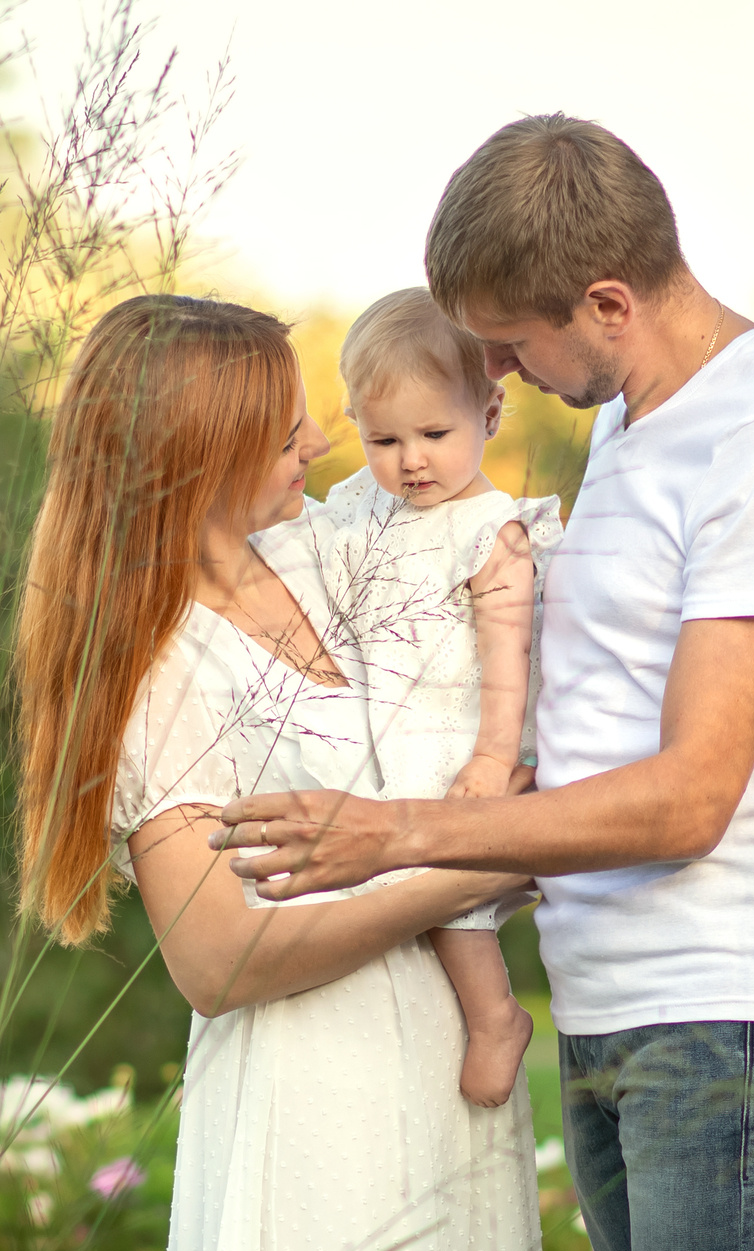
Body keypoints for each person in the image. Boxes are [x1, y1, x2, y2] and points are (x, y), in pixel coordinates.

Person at [213, 117, 754, 1251]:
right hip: (624, 1000)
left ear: (610, 304)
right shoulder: (638, 421)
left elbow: (689, 795)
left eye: (514, 345)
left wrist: (399, 832)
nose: (499, 379)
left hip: (733, 1006)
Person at [14, 294, 552, 1251]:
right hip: (313, 1091)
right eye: (278, 417)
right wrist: (463, 864)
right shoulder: (158, 666)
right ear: (198, 446)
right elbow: (220, 958)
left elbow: (471, 586)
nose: (316, 433)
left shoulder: (320, 556)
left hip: (439, 1063)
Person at [250, 287, 564, 1108]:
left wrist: (495, 756)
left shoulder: (493, 529)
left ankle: (495, 1013)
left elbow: (509, 655)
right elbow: (299, 552)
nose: (410, 461)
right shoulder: (360, 502)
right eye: (383, 438)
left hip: (452, 728)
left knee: (431, 860)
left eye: (435, 434)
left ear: (491, 413)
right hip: (370, 720)